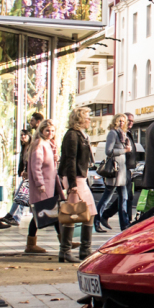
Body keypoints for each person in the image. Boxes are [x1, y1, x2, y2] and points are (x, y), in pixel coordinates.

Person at [59, 107, 97, 262]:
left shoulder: (81, 135)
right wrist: (72, 184)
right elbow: (70, 159)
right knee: (73, 213)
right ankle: (66, 251)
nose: (90, 120)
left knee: (90, 212)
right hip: (75, 178)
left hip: (80, 177)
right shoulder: (72, 135)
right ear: (80, 119)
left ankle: (83, 249)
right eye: (87, 117)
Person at [24, 120, 58, 254]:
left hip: (49, 184)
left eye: (52, 131)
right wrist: (40, 183)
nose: (50, 133)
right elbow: (36, 166)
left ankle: (64, 242)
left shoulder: (49, 144)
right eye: (47, 131)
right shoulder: (39, 144)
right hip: (43, 186)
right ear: (42, 131)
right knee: (44, 213)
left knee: (49, 213)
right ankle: (64, 242)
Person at [100, 114, 132, 230]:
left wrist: (128, 148)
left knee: (124, 197)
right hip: (115, 170)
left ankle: (125, 225)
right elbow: (108, 151)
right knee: (106, 198)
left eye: (124, 121)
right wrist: (124, 150)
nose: (122, 123)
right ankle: (98, 219)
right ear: (115, 121)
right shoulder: (113, 133)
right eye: (119, 121)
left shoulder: (122, 134)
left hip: (122, 172)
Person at [18, 112, 45, 178]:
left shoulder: (41, 135)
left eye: (32, 120)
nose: (30, 122)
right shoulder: (36, 135)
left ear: (38, 122)